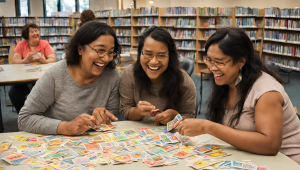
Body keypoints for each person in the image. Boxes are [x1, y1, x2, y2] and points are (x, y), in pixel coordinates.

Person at [173, 27, 300, 164]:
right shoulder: (228, 81)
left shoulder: (266, 92)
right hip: (249, 157)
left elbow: (270, 145)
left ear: (241, 61)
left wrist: (207, 127)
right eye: (209, 60)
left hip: (285, 162)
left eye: (220, 62)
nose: (212, 67)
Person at [18, 21, 121, 135]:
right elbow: (24, 118)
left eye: (111, 52)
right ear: (80, 49)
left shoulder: (112, 74)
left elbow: (111, 118)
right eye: (100, 50)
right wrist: (66, 127)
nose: (106, 58)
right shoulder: (56, 74)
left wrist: (102, 116)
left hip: (95, 144)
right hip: (57, 143)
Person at [119, 26, 196, 125]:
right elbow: (125, 111)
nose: (154, 61)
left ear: (170, 56)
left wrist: (175, 116)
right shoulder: (129, 74)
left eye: (161, 55)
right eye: (148, 54)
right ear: (140, 53)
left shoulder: (184, 80)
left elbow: (190, 118)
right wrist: (139, 111)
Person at [9, 23, 56, 113]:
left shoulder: (44, 44)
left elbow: (53, 59)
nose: (35, 33)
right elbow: (14, 61)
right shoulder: (21, 44)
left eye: (36, 31)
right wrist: (24, 61)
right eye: (32, 31)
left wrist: (45, 61)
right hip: (23, 79)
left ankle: (38, 115)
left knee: (40, 91)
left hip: (41, 78)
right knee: (13, 93)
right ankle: (23, 115)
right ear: (27, 35)